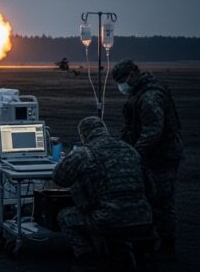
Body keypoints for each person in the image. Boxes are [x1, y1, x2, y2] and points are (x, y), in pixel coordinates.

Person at [54, 116, 152, 270]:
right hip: (143, 217)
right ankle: (121, 252)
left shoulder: (84, 153)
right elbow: (152, 189)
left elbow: (59, 178)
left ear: (83, 135)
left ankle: (86, 257)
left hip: (109, 218)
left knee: (65, 217)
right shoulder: (130, 149)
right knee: (114, 221)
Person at [113, 59, 183, 260]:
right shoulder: (141, 92)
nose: (121, 85)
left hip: (162, 156)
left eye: (122, 80)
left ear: (133, 75)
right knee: (149, 198)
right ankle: (150, 242)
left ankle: (168, 246)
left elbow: (152, 132)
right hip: (153, 155)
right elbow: (132, 127)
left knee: (161, 199)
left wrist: (134, 154)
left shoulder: (150, 97)